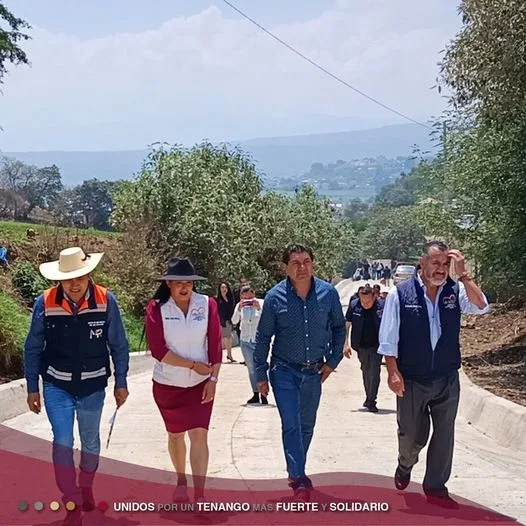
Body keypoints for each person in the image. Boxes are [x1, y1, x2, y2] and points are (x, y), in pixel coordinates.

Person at [378, 241, 489, 509]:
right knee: (412, 436)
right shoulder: (401, 294)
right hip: (412, 378)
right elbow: (389, 338)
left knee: (444, 433)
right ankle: (405, 463)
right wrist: (393, 372)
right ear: (422, 263)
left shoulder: (455, 290)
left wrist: (463, 275)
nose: (440, 270)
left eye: (444, 265)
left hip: (446, 376)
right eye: (435, 263)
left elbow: (482, 306)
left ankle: (436, 487)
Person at [24, 247, 130, 526]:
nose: (75, 283)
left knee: (91, 442)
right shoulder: (44, 302)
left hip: (93, 385)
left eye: (80, 276)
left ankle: (86, 486)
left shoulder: (106, 300)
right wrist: (32, 387)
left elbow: (118, 345)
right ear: (59, 279)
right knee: (62, 441)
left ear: (89, 274)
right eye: (68, 278)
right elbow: (33, 346)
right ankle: (71, 498)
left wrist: (121, 381)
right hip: (56, 383)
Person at [254, 243, 346, 501]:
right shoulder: (275, 297)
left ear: (313, 263)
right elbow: (263, 338)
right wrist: (260, 374)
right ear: (286, 267)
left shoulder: (327, 294)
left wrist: (333, 360)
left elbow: (339, 328)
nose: (302, 267)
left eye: (306, 261)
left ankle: (296, 472)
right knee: (291, 424)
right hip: (283, 370)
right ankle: (300, 478)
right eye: (295, 262)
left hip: (314, 372)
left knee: (306, 425)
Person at [145, 257, 222, 504]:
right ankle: (181, 480)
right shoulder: (157, 308)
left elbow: (216, 345)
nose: (184, 287)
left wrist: (212, 378)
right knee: (176, 435)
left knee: (200, 434)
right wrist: (191, 365)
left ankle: (200, 494)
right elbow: (158, 350)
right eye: (178, 282)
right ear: (168, 283)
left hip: (200, 385)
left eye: (188, 282)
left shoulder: (207, 304)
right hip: (168, 385)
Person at [344, 284, 384, 412]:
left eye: (368, 301)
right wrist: (345, 344)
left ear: (374, 296)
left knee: (374, 370)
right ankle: (369, 397)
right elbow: (347, 325)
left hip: (377, 345)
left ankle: (372, 400)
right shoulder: (354, 305)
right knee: (365, 370)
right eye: (362, 301)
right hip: (360, 345)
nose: (365, 304)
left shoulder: (382, 307)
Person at [231, 285, 266, 405]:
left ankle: (264, 393)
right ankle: (255, 393)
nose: (248, 302)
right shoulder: (239, 306)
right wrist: (240, 309)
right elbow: (234, 321)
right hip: (246, 340)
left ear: (254, 294)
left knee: (260, 367)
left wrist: (258, 308)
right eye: (246, 299)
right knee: (251, 369)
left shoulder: (261, 303)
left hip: (259, 340)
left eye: (250, 298)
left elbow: (267, 320)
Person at [216, 281, 236, 363]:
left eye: (225, 287)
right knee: (227, 338)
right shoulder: (217, 299)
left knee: (228, 338)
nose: (224, 289)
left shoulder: (230, 298)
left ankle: (229, 355)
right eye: (222, 287)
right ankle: (228, 355)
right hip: (222, 320)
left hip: (229, 320)